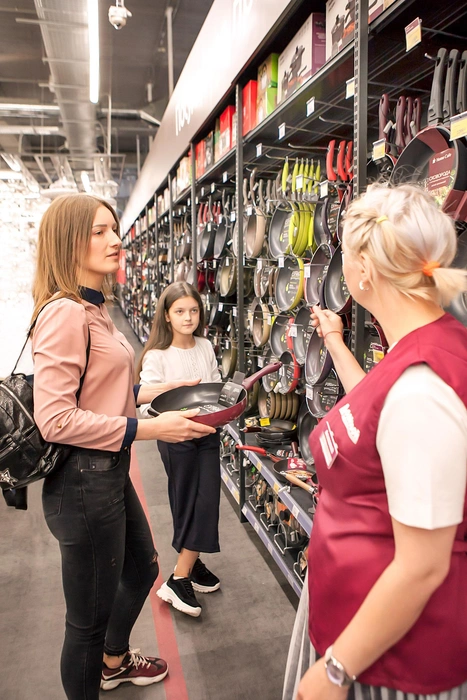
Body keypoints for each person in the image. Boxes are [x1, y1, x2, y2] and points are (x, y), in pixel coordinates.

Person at [283, 183, 467, 700]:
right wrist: (338, 344)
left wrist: (335, 670)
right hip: (364, 627)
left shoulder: (422, 389)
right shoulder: (418, 349)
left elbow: (422, 565)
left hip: (393, 660)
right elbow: (377, 411)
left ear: (363, 270)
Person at [31, 194, 215, 700]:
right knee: (85, 622)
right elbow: (55, 419)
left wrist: (151, 396)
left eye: (114, 229)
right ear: (68, 242)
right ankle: (100, 665)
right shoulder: (65, 313)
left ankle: (113, 661)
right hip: (82, 484)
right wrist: (153, 429)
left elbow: (99, 392)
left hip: (106, 473)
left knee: (142, 568)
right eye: (98, 232)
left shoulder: (96, 307)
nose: (115, 240)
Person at [137, 281, 222, 618]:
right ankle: (179, 577)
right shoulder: (156, 357)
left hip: (208, 432)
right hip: (176, 438)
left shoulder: (205, 346)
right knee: (188, 499)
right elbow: (146, 407)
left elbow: (214, 387)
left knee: (206, 499)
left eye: (194, 311)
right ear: (167, 316)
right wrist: (171, 419)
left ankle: (191, 563)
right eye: (180, 312)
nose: (188, 318)